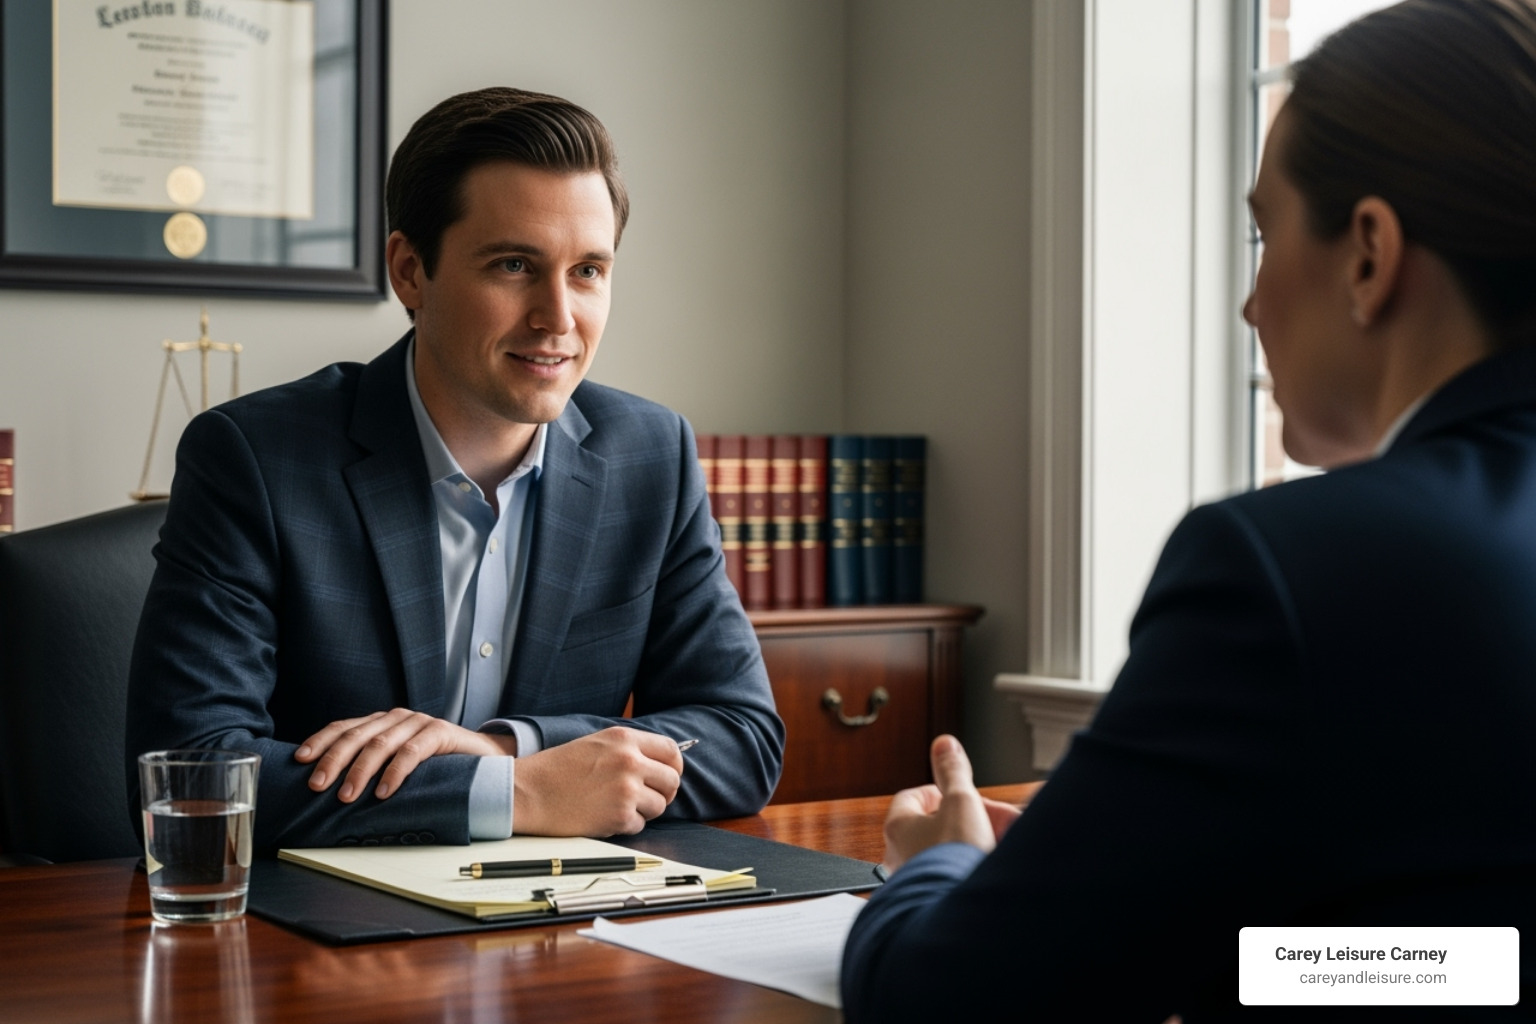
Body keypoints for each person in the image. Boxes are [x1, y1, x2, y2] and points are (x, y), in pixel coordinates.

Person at [841, 1, 1536, 1019]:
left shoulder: (1291, 568)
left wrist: (940, 868)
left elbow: (941, 1000)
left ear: (1369, 254)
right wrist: (1192, 928)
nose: (1251, 306)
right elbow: (1478, 960)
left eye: (1263, 235)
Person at [127, 87, 784, 855]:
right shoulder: (255, 458)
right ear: (410, 271)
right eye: (514, 265)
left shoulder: (651, 455)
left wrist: (507, 750)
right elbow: (191, 776)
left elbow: (741, 737)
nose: (558, 317)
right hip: (324, 923)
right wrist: (518, 792)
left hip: (568, 917)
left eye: (587, 271)